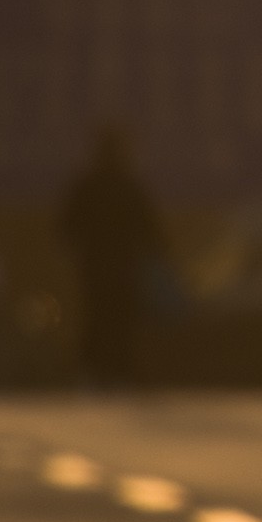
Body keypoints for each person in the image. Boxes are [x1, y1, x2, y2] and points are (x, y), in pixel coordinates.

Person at [55, 124, 168, 390]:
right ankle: (117, 373)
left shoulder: (89, 186)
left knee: (99, 319)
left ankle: (96, 373)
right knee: (117, 321)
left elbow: (65, 228)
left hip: (97, 269)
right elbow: (150, 232)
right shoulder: (127, 188)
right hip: (120, 270)